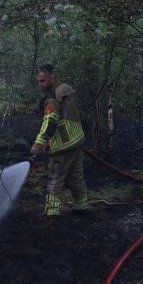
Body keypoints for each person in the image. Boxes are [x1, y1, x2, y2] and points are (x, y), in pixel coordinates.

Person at [31, 64, 88, 217]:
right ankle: (81, 205)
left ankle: (52, 211)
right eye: (38, 81)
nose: (40, 84)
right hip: (77, 140)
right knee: (76, 176)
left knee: (55, 177)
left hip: (62, 144)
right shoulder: (66, 89)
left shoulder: (52, 98)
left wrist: (39, 143)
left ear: (51, 78)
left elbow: (50, 122)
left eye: (42, 81)